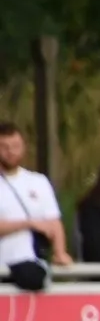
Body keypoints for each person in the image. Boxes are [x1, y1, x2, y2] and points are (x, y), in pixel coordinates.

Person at [0, 122, 72, 289]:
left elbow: (54, 221)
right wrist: (29, 224)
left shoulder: (38, 181)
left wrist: (60, 252)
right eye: (4, 147)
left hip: (34, 260)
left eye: (15, 146)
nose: (11, 151)